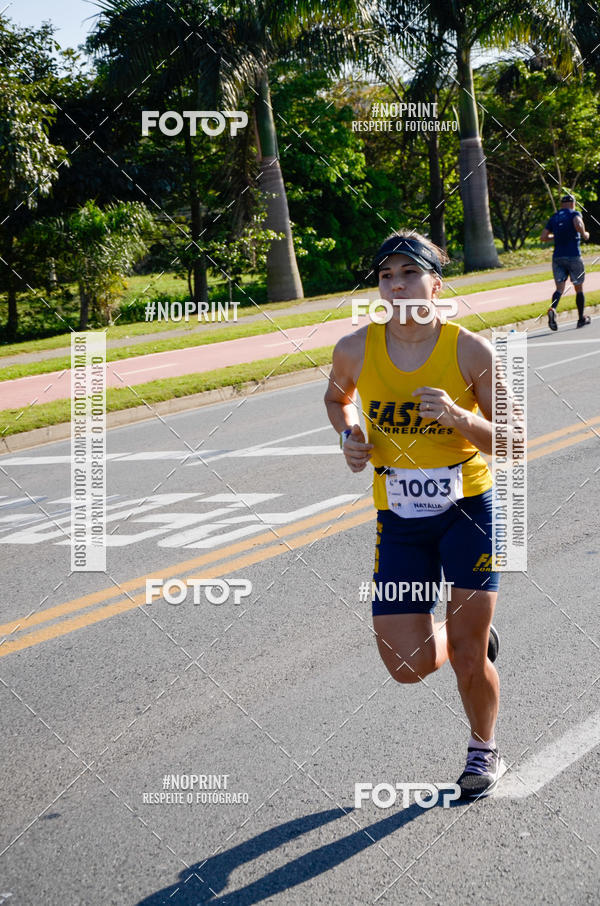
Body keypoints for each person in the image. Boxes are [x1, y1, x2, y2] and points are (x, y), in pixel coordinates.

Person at [324, 232, 507, 799]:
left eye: (409, 272)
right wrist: (350, 435)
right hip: (399, 520)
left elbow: (513, 438)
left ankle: (483, 750)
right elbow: (337, 399)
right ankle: (464, 634)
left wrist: (459, 418)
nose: (397, 284)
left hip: (467, 513)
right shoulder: (355, 349)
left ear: (436, 282)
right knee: (405, 665)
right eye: (385, 275)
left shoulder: (470, 351)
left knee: (469, 657)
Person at [541, 193, 591, 330]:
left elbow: (543, 237)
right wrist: (584, 233)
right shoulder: (575, 214)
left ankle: (553, 309)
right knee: (578, 287)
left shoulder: (555, 217)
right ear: (573, 203)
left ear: (562, 204)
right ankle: (581, 319)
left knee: (559, 289)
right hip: (573, 256)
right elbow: (578, 223)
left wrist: (555, 236)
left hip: (558, 257)